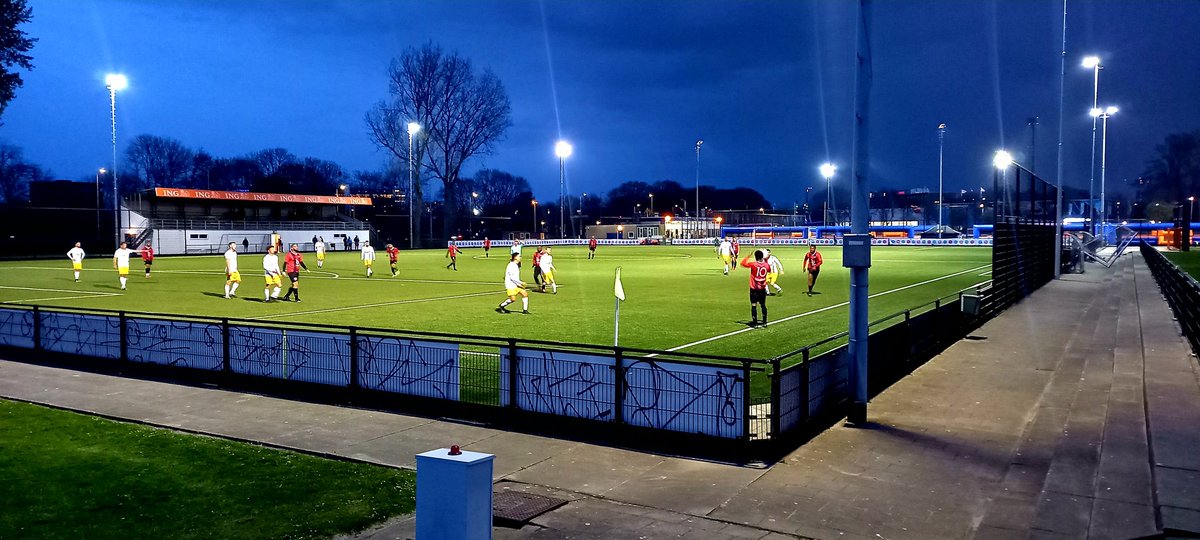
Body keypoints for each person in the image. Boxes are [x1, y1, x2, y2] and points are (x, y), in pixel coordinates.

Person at [740, 249, 771, 327]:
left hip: (754, 288)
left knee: (754, 305)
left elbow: (742, 263)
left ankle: (755, 323)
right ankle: (764, 322)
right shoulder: (766, 265)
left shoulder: (753, 264)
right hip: (762, 288)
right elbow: (769, 270)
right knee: (763, 305)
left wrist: (748, 256)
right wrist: (766, 260)